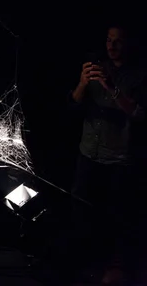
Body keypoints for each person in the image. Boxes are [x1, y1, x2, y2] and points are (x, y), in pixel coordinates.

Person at [68, 24, 146, 284]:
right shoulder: (95, 66)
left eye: (118, 42)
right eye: (109, 40)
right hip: (88, 153)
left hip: (118, 158)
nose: (112, 46)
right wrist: (82, 82)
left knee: (117, 214)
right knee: (82, 211)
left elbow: (138, 114)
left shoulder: (138, 75)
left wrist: (111, 88)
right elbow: (74, 103)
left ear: (128, 44)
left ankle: (117, 268)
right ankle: (85, 263)